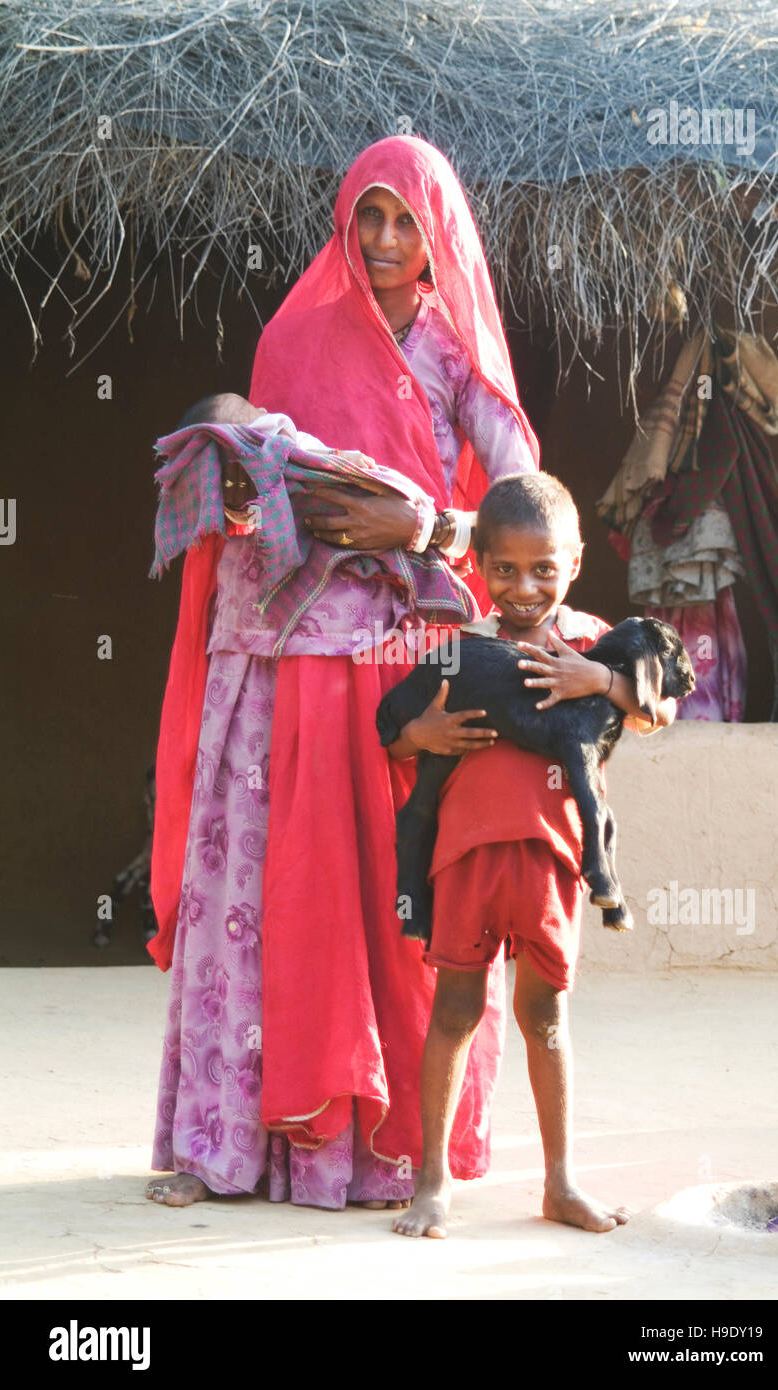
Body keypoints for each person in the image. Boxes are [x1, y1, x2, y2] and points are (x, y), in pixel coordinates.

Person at [145, 136, 539, 1210]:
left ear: (437, 238)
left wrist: (423, 523)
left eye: (406, 222)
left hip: (393, 665)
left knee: (388, 901)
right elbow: (246, 487)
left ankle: (380, 1149)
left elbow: (532, 513)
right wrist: (237, 501)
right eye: (367, 216)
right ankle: (232, 1144)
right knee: (257, 893)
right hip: (272, 660)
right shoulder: (292, 338)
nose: (382, 241)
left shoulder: (458, 363)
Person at [388, 472, 677, 1239]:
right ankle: (433, 1181)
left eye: (545, 568)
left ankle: (559, 1181)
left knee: (546, 1016)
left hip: (552, 860)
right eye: (507, 569)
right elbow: (392, 727)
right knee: (455, 1010)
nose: (526, 587)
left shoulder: (593, 642)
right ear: (478, 564)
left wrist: (603, 680)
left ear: (574, 563)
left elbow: (662, 707)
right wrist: (422, 738)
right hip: (467, 858)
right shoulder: (460, 653)